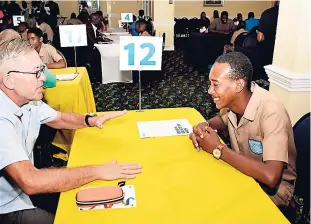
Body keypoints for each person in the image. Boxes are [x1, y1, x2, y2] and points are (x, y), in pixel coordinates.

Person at [0, 38, 142, 223]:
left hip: (22, 192)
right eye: (36, 72)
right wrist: (98, 170)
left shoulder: (28, 101)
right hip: (7, 207)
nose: (44, 77)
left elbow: (59, 119)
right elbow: (30, 181)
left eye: (42, 69)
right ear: (9, 80)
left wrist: (90, 119)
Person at [189, 52, 296, 207]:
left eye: (215, 84)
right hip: (243, 174)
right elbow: (223, 120)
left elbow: (271, 177)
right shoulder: (235, 103)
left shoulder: (272, 112)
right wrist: (204, 126)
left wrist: (217, 149)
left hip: (273, 192)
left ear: (238, 85)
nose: (210, 91)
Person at [257, 1, 279, 66]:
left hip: (267, 53)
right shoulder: (291, 15)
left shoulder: (268, 13)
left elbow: (260, 38)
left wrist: (257, 32)